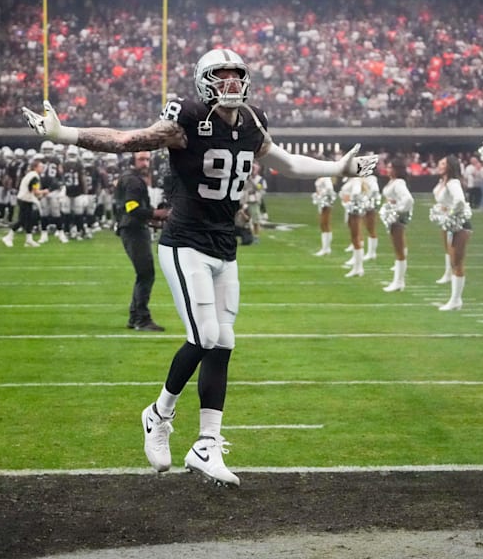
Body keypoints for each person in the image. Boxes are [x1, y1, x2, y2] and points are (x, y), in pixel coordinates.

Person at [23, 48, 376, 486]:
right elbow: (126, 139)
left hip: (224, 244)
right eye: (220, 76)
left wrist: (338, 168)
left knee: (224, 340)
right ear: (204, 81)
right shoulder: (188, 119)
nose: (230, 84)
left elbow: (288, 162)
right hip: (184, 241)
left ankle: (207, 444)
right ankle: (159, 414)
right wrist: (66, 134)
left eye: (236, 75)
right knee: (205, 335)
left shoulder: (251, 122)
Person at [114, 151, 166, 332]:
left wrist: (153, 218)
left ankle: (135, 316)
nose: (145, 163)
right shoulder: (134, 181)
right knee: (146, 274)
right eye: (141, 159)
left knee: (144, 274)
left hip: (132, 228)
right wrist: (156, 214)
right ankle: (141, 319)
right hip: (133, 229)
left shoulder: (131, 179)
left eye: (147, 159)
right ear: (132, 161)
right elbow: (132, 207)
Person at [432, 155, 471, 311]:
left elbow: (460, 200)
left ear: (449, 166)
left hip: (460, 225)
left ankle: (456, 300)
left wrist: (451, 214)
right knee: (454, 261)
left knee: (457, 262)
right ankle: (455, 300)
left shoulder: (453, 182)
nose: (439, 165)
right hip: (452, 224)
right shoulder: (443, 182)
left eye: (442, 163)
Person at [381, 159, 414, 292]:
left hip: (397, 219)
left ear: (397, 169)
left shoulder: (399, 183)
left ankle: (399, 282)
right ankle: (397, 281)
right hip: (392, 218)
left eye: (390, 167)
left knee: (399, 250)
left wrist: (398, 210)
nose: (388, 169)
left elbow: (408, 199)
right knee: (398, 249)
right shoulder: (393, 181)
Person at [1, 156, 48, 248]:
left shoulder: (31, 175)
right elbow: (35, 191)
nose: (42, 169)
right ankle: (9, 237)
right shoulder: (34, 176)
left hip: (25, 198)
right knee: (22, 220)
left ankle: (29, 239)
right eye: (40, 167)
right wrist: (44, 191)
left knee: (28, 220)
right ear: (35, 167)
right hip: (25, 199)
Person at [311, 170, 337, 256]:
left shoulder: (326, 178)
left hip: (326, 202)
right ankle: (326, 248)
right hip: (321, 201)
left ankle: (326, 248)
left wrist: (321, 194)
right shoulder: (320, 177)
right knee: (323, 225)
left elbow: (330, 189)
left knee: (325, 224)